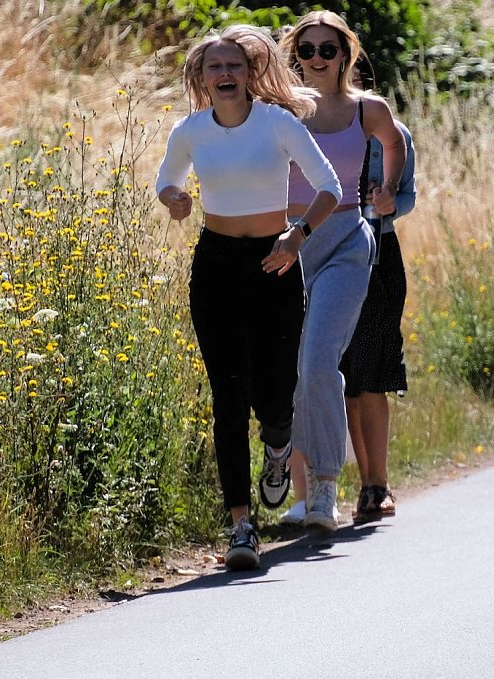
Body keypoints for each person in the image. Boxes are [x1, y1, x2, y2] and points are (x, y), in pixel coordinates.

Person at [155, 25, 341, 570]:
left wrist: (298, 235)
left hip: (275, 261)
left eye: (234, 65)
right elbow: (166, 180)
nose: (225, 74)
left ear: (250, 72)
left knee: (276, 392)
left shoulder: (278, 123)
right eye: (215, 67)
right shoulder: (190, 131)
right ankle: (242, 527)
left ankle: (279, 447)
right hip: (216, 265)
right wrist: (175, 199)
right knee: (228, 396)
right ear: (201, 77)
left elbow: (328, 186)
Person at [276, 12, 406, 532]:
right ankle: (304, 494)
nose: (316, 61)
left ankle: (327, 490)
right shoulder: (282, 109)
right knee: (289, 370)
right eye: (306, 51)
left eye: (327, 50)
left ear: (345, 56)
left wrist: (388, 187)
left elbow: (394, 142)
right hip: (287, 245)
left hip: (347, 241)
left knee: (318, 360)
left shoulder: (366, 109)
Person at [341, 69, 417, 523]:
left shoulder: (395, 135)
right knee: (343, 376)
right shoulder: (311, 126)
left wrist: (390, 202)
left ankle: (377, 485)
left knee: (371, 374)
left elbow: (406, 196)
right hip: (326, 256)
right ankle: (345, 486)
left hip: (380, 256)